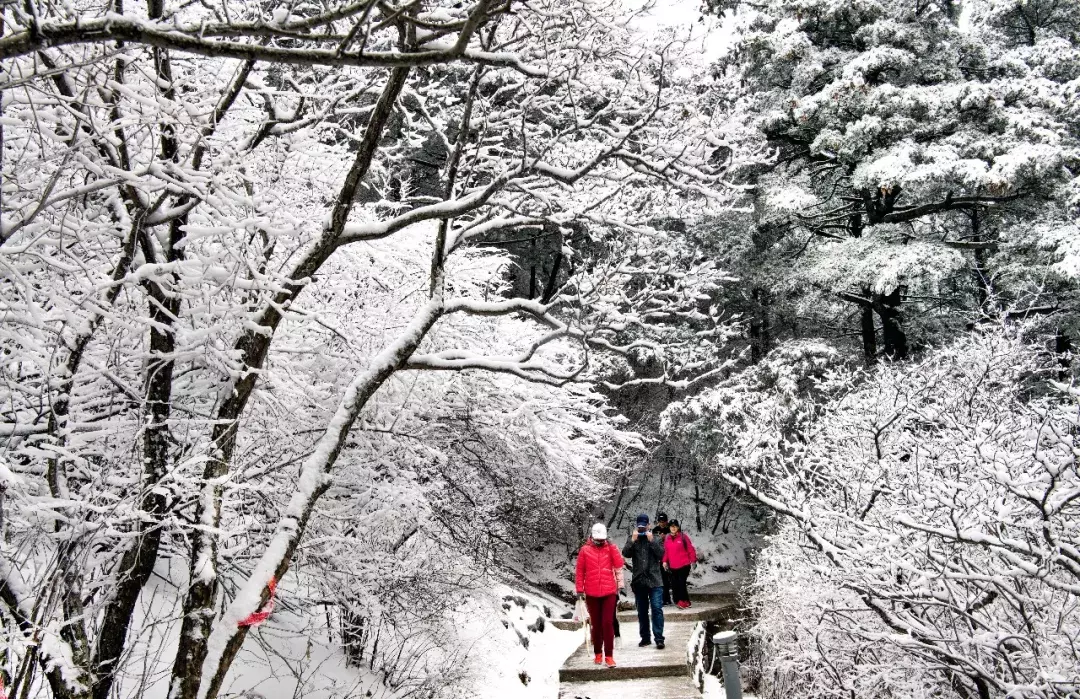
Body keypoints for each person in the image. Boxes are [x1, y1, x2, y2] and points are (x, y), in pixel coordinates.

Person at [575, 522, 625, 668]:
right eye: (598, 540)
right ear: (592, 537)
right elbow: (580, 571)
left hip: (609, 591)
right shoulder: (584, 550)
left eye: (602, 540)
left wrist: (613, 547)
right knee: (596, 625)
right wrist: (579, 589)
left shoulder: (610, 548)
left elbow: (618, 563)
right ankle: (598, 653)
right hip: (591, 592)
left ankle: (609, 656)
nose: (600, 542)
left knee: (607, 623)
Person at [622, 513, 666, 649]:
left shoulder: (656, 538)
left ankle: (659, 638)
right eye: (640, 527)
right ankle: (645, 638)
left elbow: (661, 554)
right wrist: (632, 540)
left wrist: (651, 540)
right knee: (642, 611)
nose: (642, 529)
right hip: (639, 581)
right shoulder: (632, 539)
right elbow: (625, 553)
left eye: (644, 526)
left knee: (657, 609)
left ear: (649, 525)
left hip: (655, 581)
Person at [662, 519, 698, 608]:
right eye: (671, 526)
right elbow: (666, 552)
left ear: (678, 527)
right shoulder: (667, 538)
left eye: (675, 526)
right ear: (669, 528)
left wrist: (693, 560)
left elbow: (690, 549)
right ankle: (686, 601)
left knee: (681, 583)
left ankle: (682, 601)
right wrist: (664, 561)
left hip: (684, 565)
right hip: (673, 566)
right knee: (675, 584)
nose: (673, 528)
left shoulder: (683, 537)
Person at [653, 512, 672, 605]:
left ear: (666, 521)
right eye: (660, 521)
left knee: (670, 579)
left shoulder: (670, 529)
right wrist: (659, 539)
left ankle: (672, 598)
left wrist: (666, 538)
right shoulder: (655, 530)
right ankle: (664, 598)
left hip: (670, 557)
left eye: (663, 521)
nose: (662, 523)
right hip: (659, 558)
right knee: (662, 579)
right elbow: (652, 542)